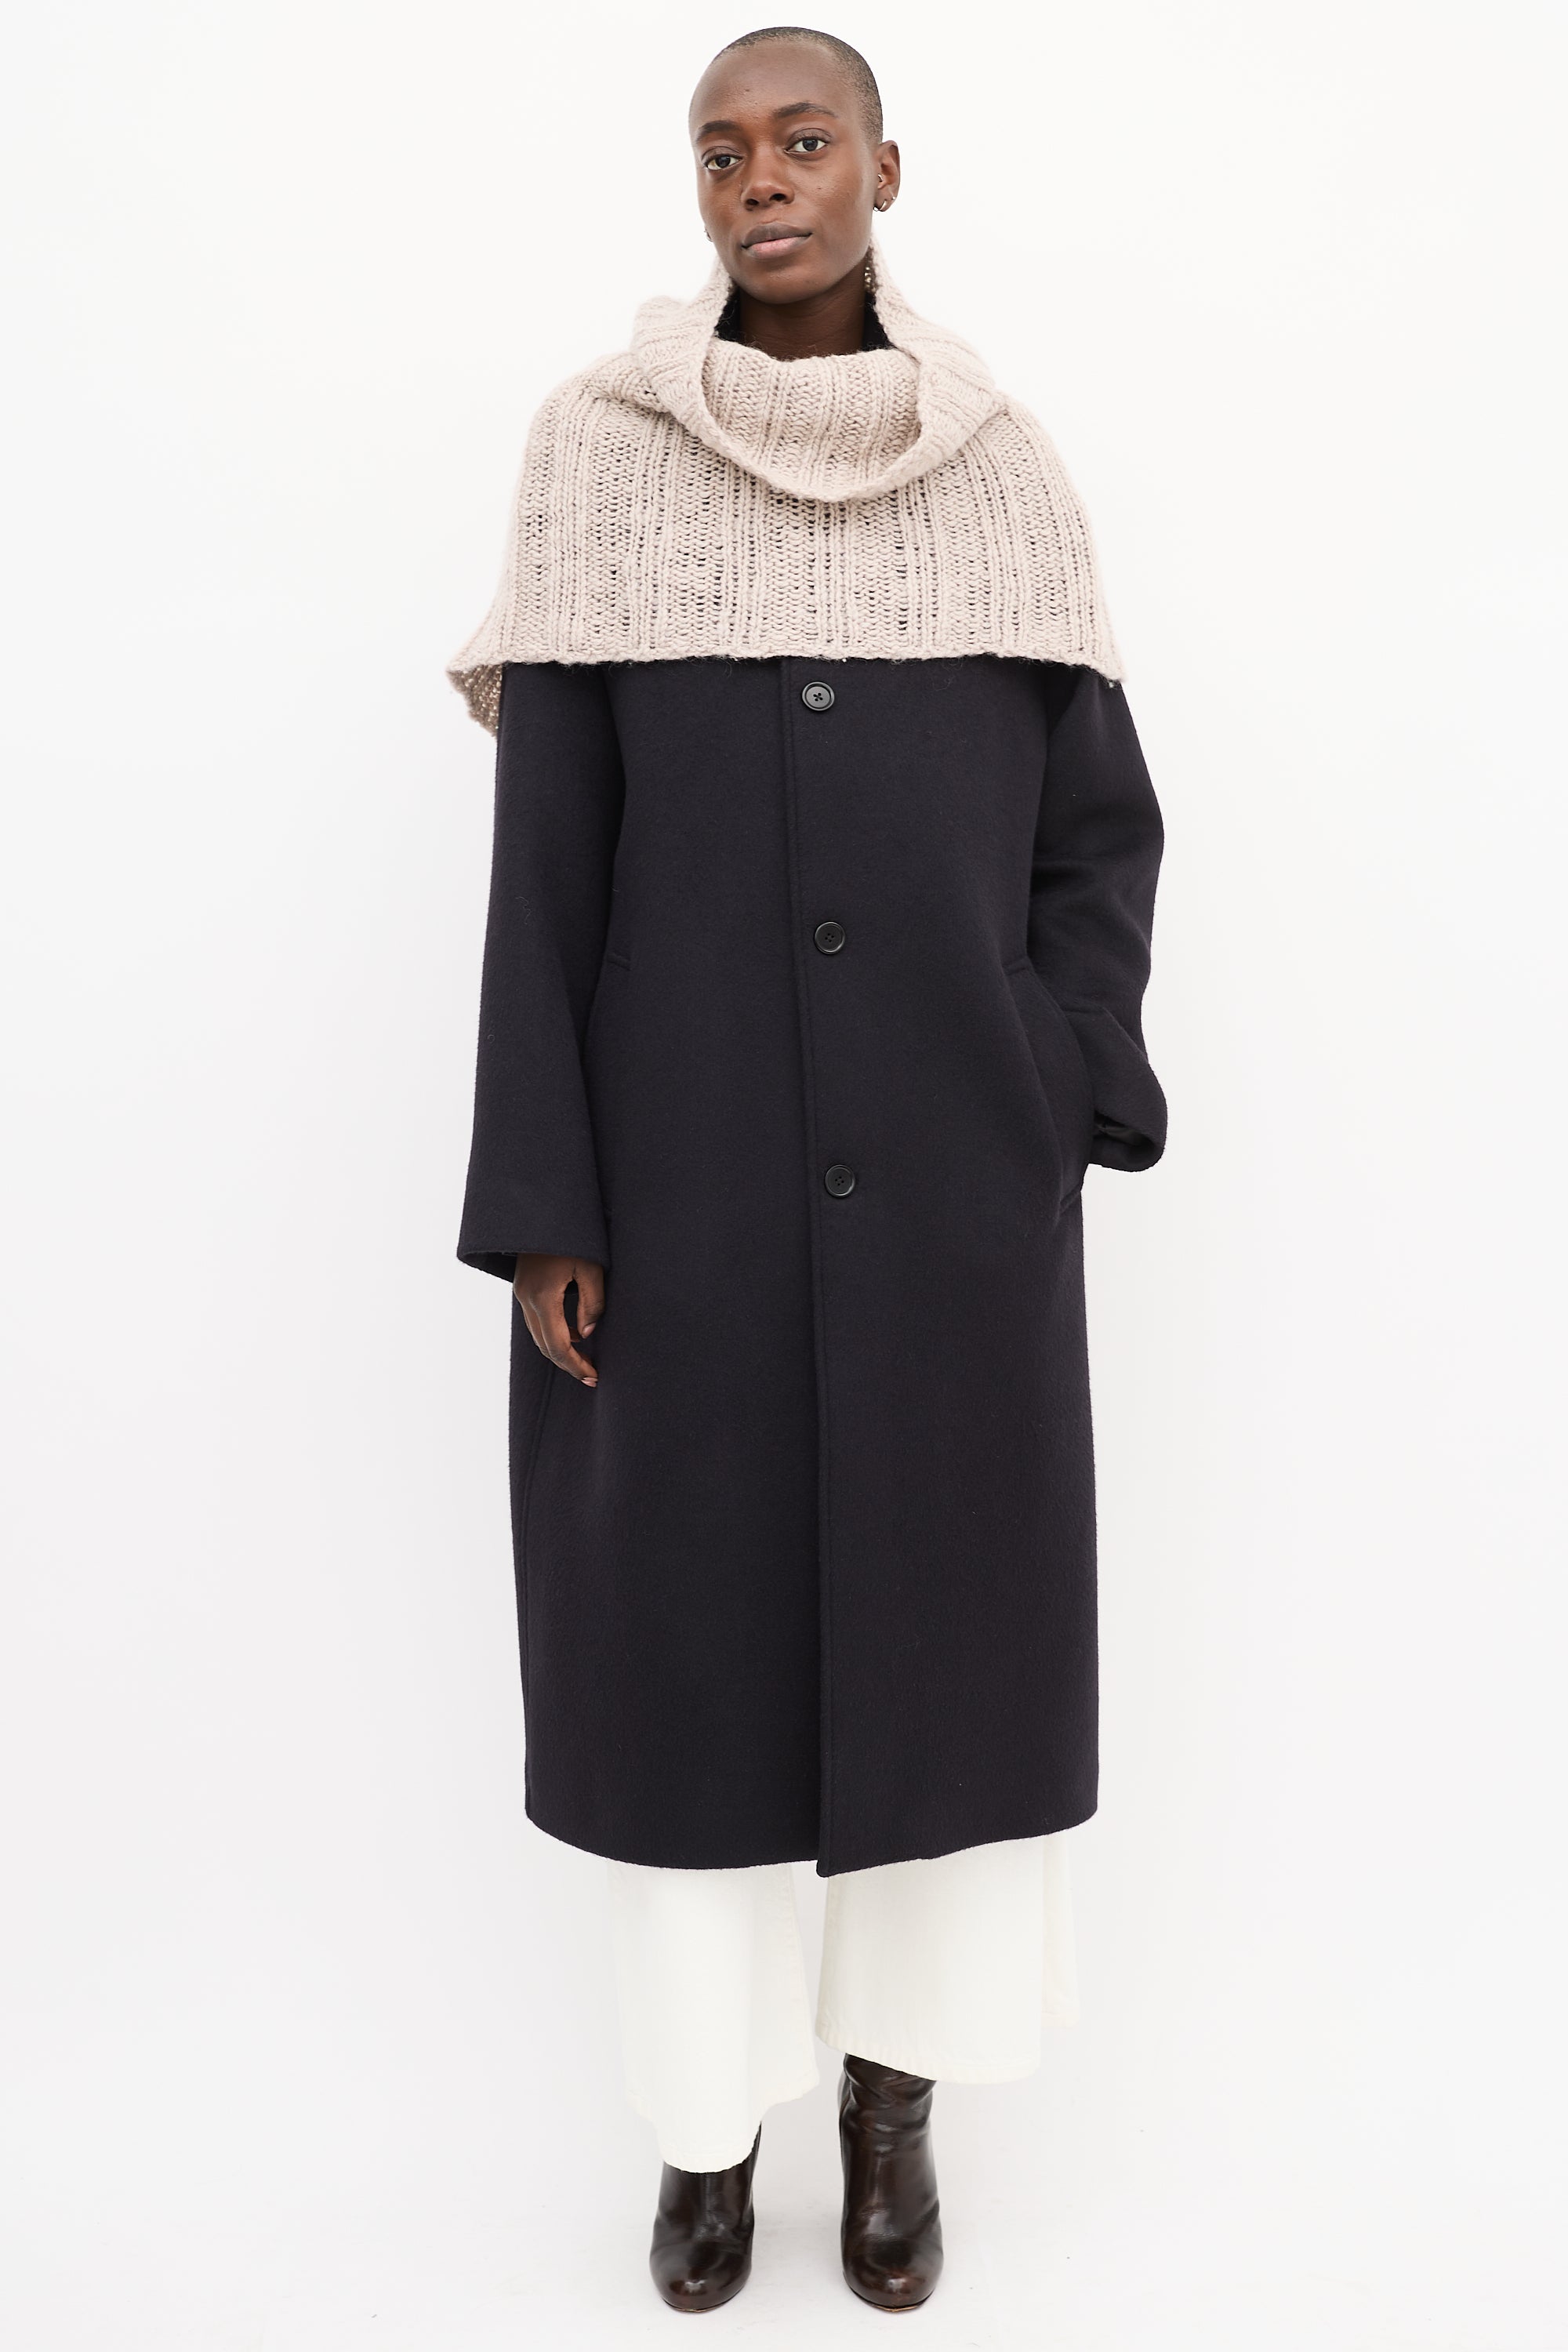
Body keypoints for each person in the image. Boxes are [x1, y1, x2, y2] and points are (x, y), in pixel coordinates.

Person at [449, 24, 1167, 2314]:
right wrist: (550, 1201)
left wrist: (1055, 1078)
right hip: (678, 1204)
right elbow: (545, 871)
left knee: (947, 1673)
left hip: (956, 1200)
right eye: (721, 151)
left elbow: (1097, 837)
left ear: (883, 169)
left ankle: (893, 2118)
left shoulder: (1006, 467)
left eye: (802, 140)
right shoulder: (598, 454)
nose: (761, 179)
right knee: (682, 1679)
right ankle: (702, 2137)